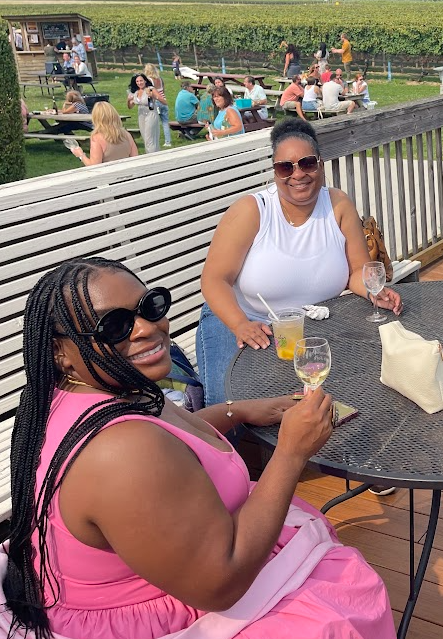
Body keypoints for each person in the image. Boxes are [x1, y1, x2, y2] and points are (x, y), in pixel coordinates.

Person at [0, 257, 394, 639]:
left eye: (149, 307)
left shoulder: (85, 391)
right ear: (60, 351)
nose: (144, 329)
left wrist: (238, 410)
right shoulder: (121, 453)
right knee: (344, 602)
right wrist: (291, 454)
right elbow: (220, 585)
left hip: (142, 573)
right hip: (184, 601)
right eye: (114, 326)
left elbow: (170, 440)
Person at [197, 119, 404, 408]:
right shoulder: (252, 211)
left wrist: (373, 291)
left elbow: (357, 271)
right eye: (286, 167)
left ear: (320, 164)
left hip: (309, 325)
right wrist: (240, 324)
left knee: (349, 392)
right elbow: (214, 279)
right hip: (242, 318)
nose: (298, 174)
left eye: (307, 163)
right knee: (230, 407)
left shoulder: (338, 205)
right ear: (275, 171)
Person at [69, 101, 139, 166]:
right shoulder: (127, 135)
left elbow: (94, 165)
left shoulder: (97, 138)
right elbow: (135, 158)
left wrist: (81, 155)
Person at [127, 74, 165, 154]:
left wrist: (154, 96)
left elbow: (164, 101)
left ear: (145, 81)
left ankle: (151, 156)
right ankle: (155, 153)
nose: (139, 83)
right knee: (145, 138)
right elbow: (130, 106)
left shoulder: (150, 89)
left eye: (141, 81)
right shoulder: (136, 92)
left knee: (149, 138)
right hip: (141, 116)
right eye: (137, 81)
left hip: (150, 114)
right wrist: (128, 100)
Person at [144, 63, 172, 148]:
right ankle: (168, 141)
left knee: (153, 123)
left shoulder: (149, 80)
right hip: (163, 100)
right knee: (165, 122)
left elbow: (149, 92)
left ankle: (153, 140)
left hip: (156, 102)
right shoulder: (160, 79)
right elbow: (163, 90)